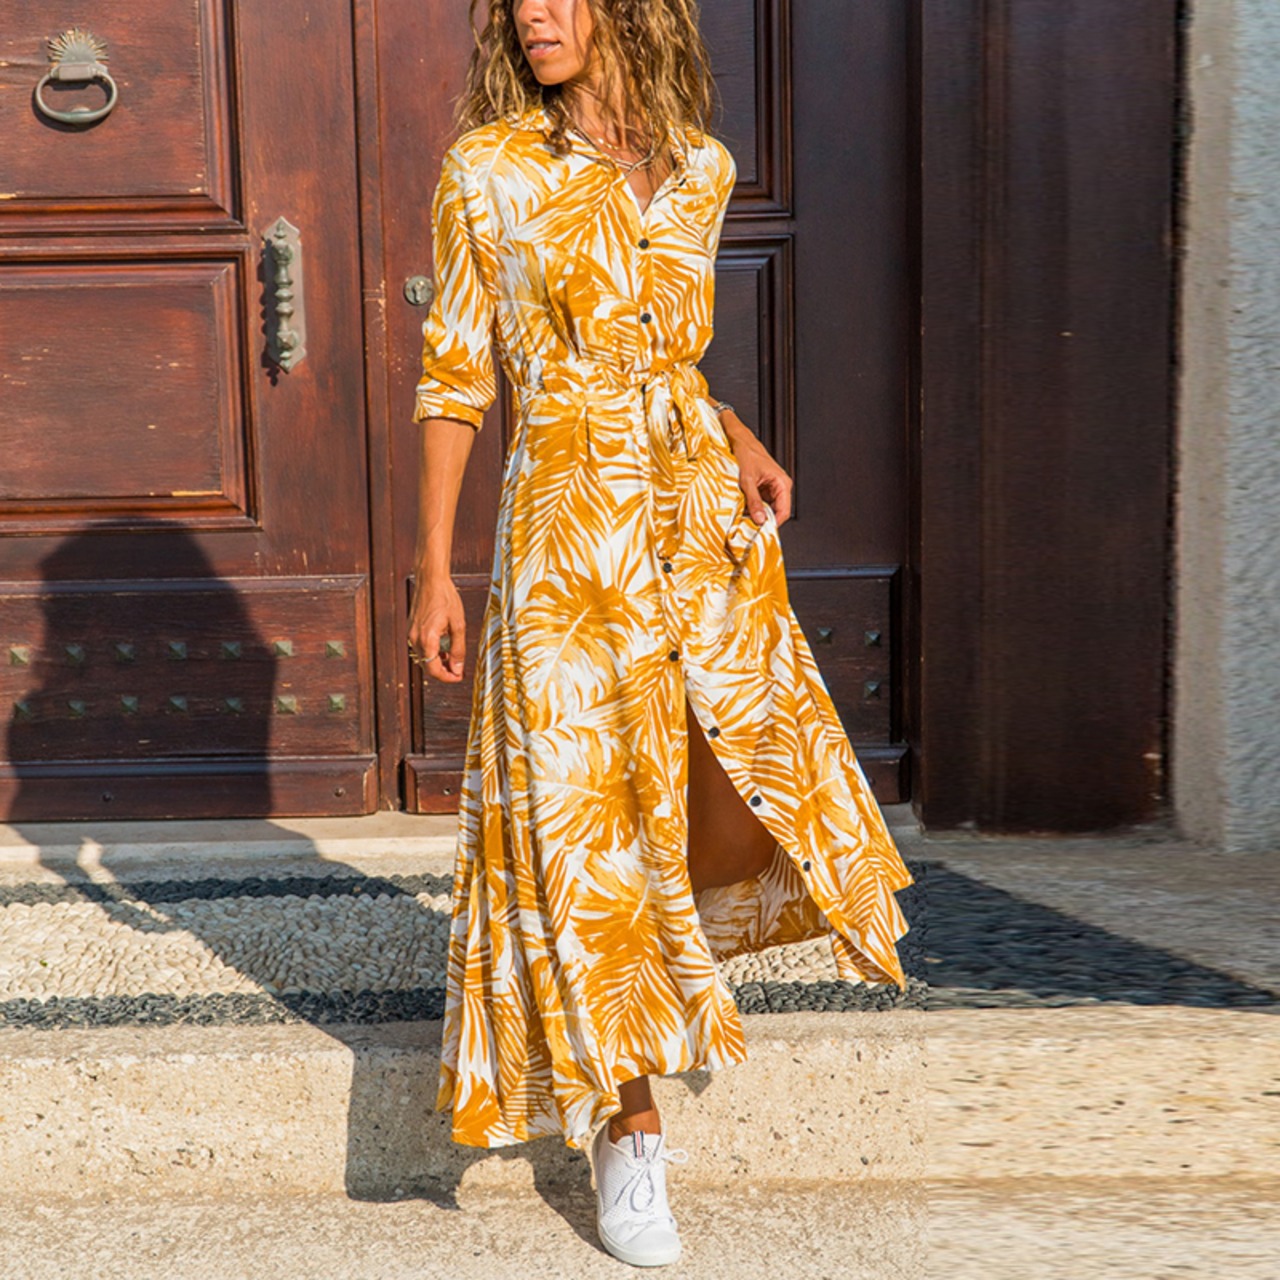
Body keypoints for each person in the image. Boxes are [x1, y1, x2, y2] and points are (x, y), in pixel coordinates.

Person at [407, 0, 914, 1266]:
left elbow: (663, 351)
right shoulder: (488, 169)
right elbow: (456, 372)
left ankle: (658, 985)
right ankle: (627, 1128)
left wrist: (734, 432)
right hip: (564, 534)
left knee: (724, 784)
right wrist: (432, 568)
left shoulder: (700, 168)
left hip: (691, 515)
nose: (531, 14)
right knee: (585, 820)